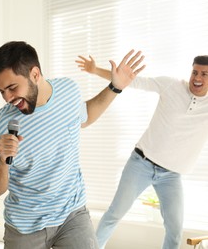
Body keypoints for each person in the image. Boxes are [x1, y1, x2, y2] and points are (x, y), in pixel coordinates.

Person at [0, 41, 145, 249]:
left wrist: (115, 87)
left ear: (35, 74)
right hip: (25, 226)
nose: (7, 98)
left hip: (72, 214)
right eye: (1, 91)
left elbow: (85, 116)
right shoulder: (1, 124)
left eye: (12, 88)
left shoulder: (68, 90)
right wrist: (2, 161)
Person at [76, 54, 208, 249]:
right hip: (141, 163)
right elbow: (130, 81)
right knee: (114, 214)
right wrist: (95, 70)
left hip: (171, 176)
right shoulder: (171, 85)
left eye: (205, 74)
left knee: (175, 229)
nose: (197, 78)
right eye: (195, 72)